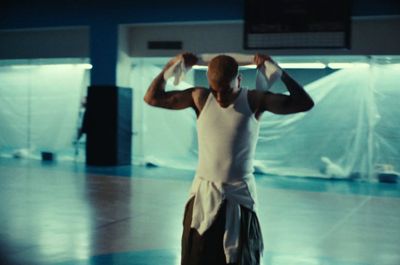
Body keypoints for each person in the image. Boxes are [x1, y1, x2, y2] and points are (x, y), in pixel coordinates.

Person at [144, 52, 314, 265]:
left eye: (225, 90)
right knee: (196, 257)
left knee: (239, 259)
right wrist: (170, 68)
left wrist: (279, 71)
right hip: (203, 195)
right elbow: (152, 98)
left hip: (239, 196)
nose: (220, 97)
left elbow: (304, 103)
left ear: (239, 80)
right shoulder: (200, 98)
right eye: (214, 90)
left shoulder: (254, 100)